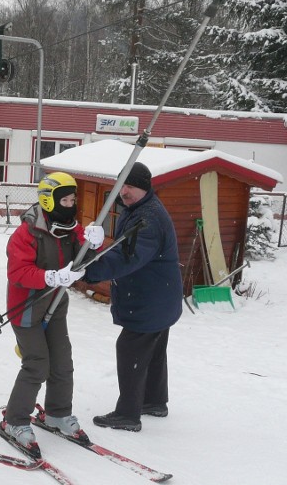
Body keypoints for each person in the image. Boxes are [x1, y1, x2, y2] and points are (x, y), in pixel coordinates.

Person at [1, 172, 105, 456]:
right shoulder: (27, 233)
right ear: (49, 201)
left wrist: (94, 240)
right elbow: (17, 272)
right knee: (37, 364)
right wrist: (50, 276)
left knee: (62, 362)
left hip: (56, 305)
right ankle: (15, 420)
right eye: (66, 199)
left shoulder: (69, 227)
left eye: (73, 199)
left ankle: (58, 413)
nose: (71, 205)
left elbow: (82, 248)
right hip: (26, 309)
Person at [83, 162, 182, 432]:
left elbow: (127, 256)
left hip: (150, 301)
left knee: (130, 349)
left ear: (144, 187)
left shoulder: (148, 219)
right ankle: (154, 401)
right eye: (121, 185)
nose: (123, 191)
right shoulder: (141, 208)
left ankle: (128, 414)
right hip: (159, 297)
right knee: (154, 350)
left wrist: (89, 270)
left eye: (130, 186)